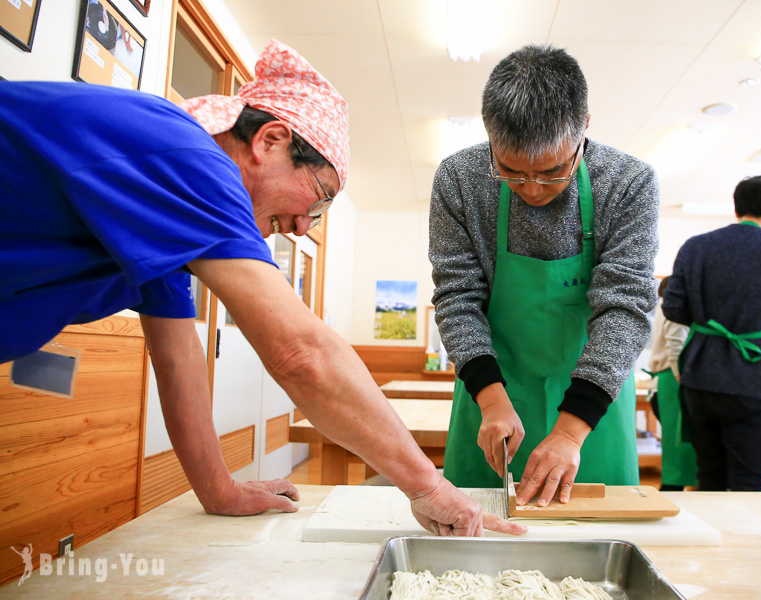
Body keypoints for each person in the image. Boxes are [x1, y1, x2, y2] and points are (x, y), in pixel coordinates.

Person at [0, 39, 523, 538]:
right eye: (319, 199)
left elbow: (179, 353)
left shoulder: (172, 213)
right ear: (269, 140)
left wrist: (218, 489)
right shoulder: (189, 157)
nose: (304, 227)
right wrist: (428, 485)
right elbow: (301, 352)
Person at [429, 44, 659, 508]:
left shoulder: (628, 182)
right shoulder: (459, 178)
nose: (532, 189)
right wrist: (491, 401)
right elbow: (456, 296)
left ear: (584, 128)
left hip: (593, 406)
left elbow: (625, 307)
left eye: (552, 171)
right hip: (491, 396)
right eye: (511, 171)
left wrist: (571, 432)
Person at [663, 173, 761, 491]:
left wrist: (707, 322)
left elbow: (672, 308)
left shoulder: (696, 247)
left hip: (699, 373)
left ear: (735, 206)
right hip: (750, 376)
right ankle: (746, 541)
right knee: (748, 478)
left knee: (709, 475)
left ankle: (712, 540)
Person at [646, 276, 696, 491]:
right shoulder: (675, 310)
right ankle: (674, 492)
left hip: (667, 379)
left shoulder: (663, 306)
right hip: (675, 379)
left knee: (677, 443)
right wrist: (683, 379)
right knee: (679, 444)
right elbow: (677, 346)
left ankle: (675, 489)